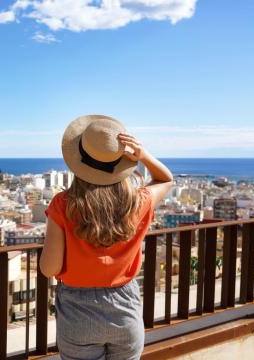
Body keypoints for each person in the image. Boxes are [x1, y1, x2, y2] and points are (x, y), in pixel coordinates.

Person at [39, 115, 173, 360]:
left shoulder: (63, 205)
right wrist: (142, 155)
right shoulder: (137, 202)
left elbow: (50, 268)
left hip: (77, 312)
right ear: (122, 162)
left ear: (77, 161)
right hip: (125, 308)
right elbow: (166, 179)